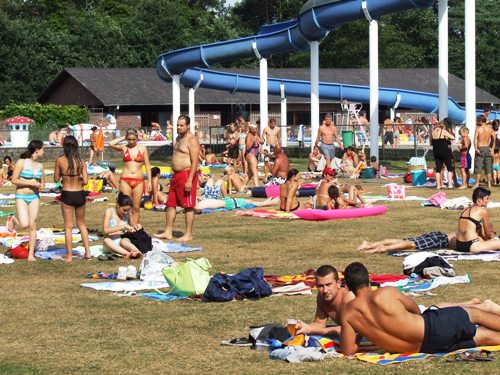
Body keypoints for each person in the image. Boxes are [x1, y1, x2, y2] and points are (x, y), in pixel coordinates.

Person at [340, 262, 500, 355]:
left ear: (347, 286)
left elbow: (348, 350)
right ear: (369, 278)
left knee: (482, 337)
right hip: (432, 328)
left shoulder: (348, 314)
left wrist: (362, 328)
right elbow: (416, 310)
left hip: (426, 348)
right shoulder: (386, 293)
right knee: (476, 314)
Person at [155, 115, 200, 242]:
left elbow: (195, 161)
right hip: (176, 176)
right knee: (170, 204)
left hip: (186, 174)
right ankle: (168, 231)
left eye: (181, 125)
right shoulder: (178, 138)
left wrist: (190, 180)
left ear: (188, 126)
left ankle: (188, 233)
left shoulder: (192, 140)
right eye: (177, 125)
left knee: (188, 205)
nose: (178, 127)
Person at [53, 135, 91, 262]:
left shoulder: (60, 160)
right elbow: (86, 181)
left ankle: (69, 256)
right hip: (80, 193)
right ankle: (88, 253)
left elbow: (56, 179)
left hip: (67, 193)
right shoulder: (81, 161)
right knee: (82, 224)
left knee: (68, 226)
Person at [7, 140, 45, 261]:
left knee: (32, 225)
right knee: (24, 225)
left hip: (34, 197)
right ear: (36, 149)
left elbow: (42, 182)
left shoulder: (40, 166)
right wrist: (30, 182)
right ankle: (13, 219)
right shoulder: (22, 162)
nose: (44, 152)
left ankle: (31, 254)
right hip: (21, 196)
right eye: (42, 149)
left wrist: (41, 185)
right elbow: (14, 180)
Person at [296, 265, 355, 336]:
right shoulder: (322, 297)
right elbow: (319, 324)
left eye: (328, 285)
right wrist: (304, 327)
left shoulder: (348, 297)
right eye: (320, 286)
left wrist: (311, 330)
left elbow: (350, 329)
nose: (325, 290)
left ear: (338, 283)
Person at [109, 128, 152, 225]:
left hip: (139, 181)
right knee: (124, 205)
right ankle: (123, 226)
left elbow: (147, 165)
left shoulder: (142, 148)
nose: (131, 142)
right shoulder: (124, 148)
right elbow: (111, 143)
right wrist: (123, 137)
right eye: (129, 139)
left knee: (136, 207)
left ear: (137, 138)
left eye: (133, 139)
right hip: (125, 180)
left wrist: (149, 181)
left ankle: (134, 227)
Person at [455, 187, 500, 253]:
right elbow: (487, 234)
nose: (489, 201)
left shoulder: (466, 209)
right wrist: (492, 236)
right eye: (487, 199)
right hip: (471, 245)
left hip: (459, 245)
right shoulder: (482, 211)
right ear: (479, 200)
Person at [102, 194, 142, 259]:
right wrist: (123, 226)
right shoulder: (110, 212)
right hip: (110, 244)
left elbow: (134, 226)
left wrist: (137, 227)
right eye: (124, 210)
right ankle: (127, 253)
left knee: (124, 240)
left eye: (128, 210)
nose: (126, 212)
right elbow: (105, 230)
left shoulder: (128, 214)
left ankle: (137, 252)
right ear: (118, 205)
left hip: (122, 242)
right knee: (106, 240)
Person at [357, 231, 457, 254]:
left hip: (441, 235)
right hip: (443, 240)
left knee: (403, 241)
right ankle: (383, 248)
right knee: (411, 244)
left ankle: (369, 244)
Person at [431, 118, 455, 189]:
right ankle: (450, 185)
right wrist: (447, 136)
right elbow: (452, 137)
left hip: (436, 152)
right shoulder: (443, 131)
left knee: (438, 169)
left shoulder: (432, 132)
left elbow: (431, 143)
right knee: (449, 168)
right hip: (445, 152)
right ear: (443, 125)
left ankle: (438, 185)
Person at [474, 115, 495, 189]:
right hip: (487, 148)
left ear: (480, 121)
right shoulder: (490, 129)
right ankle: (489, 184)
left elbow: (475, 139)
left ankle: (477, 184)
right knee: (488, 167)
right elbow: (494, 139)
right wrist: (492, 148)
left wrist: (476, 148)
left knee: (478, 167)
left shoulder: (478, 129)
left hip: (480, 148)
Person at [244, 122, 264, 187]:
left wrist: (261, 139)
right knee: (255, 171)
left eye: (257, 128)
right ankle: (257, 186)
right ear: (251, 129)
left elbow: (261, 141)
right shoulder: (249, 135)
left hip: (255, 155)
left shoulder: (255, 134)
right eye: (255, 129)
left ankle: (242, 186)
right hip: (250, 154)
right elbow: (247, 147)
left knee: (250, 173)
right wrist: (253, 140)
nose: (257, 130)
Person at [196, 196, 278, 211]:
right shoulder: (200, 205)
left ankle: (266, 202)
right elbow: (197, 208)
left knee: (249, 201)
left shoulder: (202, 203)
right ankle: (268, 203)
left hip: (228, 201)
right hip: (230, 203)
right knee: (250, 202)